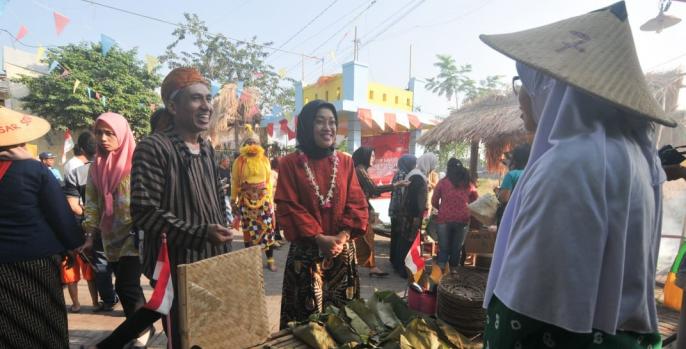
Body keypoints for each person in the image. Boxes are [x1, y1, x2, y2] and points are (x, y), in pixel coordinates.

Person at [481, 3, 675, 347]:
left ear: (553, 87)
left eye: (524, 83)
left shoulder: (568, 166)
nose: (522, 99)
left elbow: (523, 314)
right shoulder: (643, 162)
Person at [93, 67, 235, 349]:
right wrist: (199, 233)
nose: (206, 106)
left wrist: (222, 231)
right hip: (176, 261)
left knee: (214, 332)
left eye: (208, 98)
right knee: (184, 336)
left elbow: (217, 196)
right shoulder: (153, 148)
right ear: (172, 105)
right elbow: (145, 212)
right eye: (196, 99)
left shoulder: (206, 148)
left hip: (212, 258)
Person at [276, 100, 368, 329]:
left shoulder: (346, 162)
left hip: (341, 254)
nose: (328, 127)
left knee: (342, 323)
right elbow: (289, 207)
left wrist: (342, 237)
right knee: (305, 326)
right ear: (307, 126)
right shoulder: (289, 164)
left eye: (332, 122)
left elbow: (356, 202)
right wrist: (319, 238)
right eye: (320, 121)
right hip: (306, 257)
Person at [0, 107, 83, 348]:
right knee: (46, 323)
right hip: (37, 263)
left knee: (8, 327)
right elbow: (60, 215)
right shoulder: (35, 170)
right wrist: (74, 246)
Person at [83, 113, 145, 322]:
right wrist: (90, 235)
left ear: (121, 134)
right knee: (127, 286)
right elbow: (92, 203)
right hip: (110, 237)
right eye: (99, 133)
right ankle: (139, 329)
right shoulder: (95, 166)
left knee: (125, 285)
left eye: (109, 133)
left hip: (135, 234)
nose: (102, 138)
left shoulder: (138, 163)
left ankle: (141, 331)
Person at [352, 146, 409, 277]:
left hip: (360, 209)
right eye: (371, 156)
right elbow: (374, 189)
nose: (373, 159)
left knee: (363, 237)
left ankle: (369, 266)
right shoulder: (360, 170)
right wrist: (396, 185)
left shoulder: (361, 170)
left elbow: (369, 191)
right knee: (364, 237)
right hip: (358, 210)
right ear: (364, 156)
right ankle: (369, 266)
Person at [61, 131, 100, 313]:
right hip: (88, 226)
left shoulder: (78, 169)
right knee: (85, 268)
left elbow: (73, 205)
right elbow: (73, 204)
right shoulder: (79, 168)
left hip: (79, 225)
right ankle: (93, 302)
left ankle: (81, 304)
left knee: (78, 268)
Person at [231, 125, 277, 271]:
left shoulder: (264, 159)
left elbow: (269, 181)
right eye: (248, 143)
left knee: (268, 230)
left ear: (258, 145)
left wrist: (270, 199)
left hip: (264, 202)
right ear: (244, 145)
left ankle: (270, 259)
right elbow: (235, 182)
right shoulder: (239, 161)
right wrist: (233, 200)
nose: (251, 145)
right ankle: (250, 261)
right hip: (246, 202)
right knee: (248, 232)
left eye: (254, 142)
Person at [431, 158, 478, 273]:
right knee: (457, 248)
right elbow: (476, 200)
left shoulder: (442, 182)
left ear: (448, 169)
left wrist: (442, 209)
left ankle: (440, 272)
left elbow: (434, 200)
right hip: (463, 219)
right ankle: (453, 272)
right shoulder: (468, 183)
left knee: (444, 248)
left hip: (444, 219)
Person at [405, 153, 438, 281]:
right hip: (415, 215)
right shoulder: (418, 177)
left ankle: (411, 272)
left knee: (411, 242)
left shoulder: (416, 173)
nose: (434, 167)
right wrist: (419, 217)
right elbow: (417, 200)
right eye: (433, 164)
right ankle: (410, 273)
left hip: (412, 214)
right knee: (412, 243)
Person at [388, 154, 417, 277]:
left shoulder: (399, 173)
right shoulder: (404, 175)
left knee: (395, 235)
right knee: (400, 236)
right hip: (399, 210)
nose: (415, 166)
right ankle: (397, 263)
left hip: (394, 209)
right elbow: (402, 194)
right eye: (413, 163)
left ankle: (393, 260)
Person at [494, 143, 530, 226]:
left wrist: (497, 192)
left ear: (515, 159)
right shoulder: (534, 173)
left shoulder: (511, 175)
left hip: (511, 216)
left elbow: (504, 198)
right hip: (528, 215)